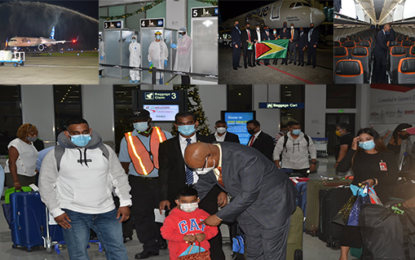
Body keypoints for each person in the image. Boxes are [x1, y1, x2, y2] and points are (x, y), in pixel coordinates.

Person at [184, 142, 297, 259]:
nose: (198, 171)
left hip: (273, 203)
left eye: (199, 167)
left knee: (271, 251)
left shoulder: (247, 158)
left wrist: (219, 216)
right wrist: (186, 205)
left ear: (210, 157)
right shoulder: (208, 158)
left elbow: (249, 195)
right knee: (253, 250)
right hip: (245, 207)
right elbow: (204, 184)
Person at [38, 118, 131, 260]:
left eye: (85, 132)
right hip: (73, 213)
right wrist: (56, 211)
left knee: (117, 250)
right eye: (75, 133)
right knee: (78, 253)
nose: (81, 136)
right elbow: (45, 184)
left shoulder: (105, 150)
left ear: (90, 131)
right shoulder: (56, 154)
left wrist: (124, 202)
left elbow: (119, 176)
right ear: (67, 134)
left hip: (106, 211)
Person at [158, 112, 227, 260]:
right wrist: (164, 197)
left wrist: (221, 191)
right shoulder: (166, 146)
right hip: (180, 196)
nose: (185, 126)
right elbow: (164, 173)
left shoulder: (210, 141)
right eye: (181, 124)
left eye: (189, 122)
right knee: (182, 232)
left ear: (196, 123)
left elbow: (219, 167)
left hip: (207, 193)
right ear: (176, 126)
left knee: (211, 229)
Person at [337, 128, 399, 260]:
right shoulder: (357, 154)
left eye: (368, 139)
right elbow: (341, 169)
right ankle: (343, 256)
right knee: (351, 225)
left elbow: (393, 178)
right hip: (357, 194)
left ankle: (372, 254)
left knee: (375, 227)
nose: (364, 142)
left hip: (378, 196)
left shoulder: (387, 155)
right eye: (361, 140)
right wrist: (352, 149)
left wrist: (375, 181)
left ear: (375, 140)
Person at [118, 109, 172, 259]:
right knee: (142, 215)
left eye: (141, 120)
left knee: (163, 212)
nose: (138, 123)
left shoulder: (165, 135)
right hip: (138, 183)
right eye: (135, 121)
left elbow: (174, 159)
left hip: (162, 181)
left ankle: (162, 239)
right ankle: (149, 246)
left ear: (149, 120)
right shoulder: (127, 139)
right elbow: (124, 163)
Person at [161, 186, 218, 260]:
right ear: (177, 202)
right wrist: (183, 238)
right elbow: (166, 234)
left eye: (192, 201)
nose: (189, 204)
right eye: (184, 202)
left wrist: (205, 235)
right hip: (179, 255)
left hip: (202, 255)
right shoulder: (172, 218)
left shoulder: (204, 215)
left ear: (198, 200)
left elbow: (213, 229)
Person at [5, 123, 39, 190]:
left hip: (30, 175)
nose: (35, 136)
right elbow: (12, 163)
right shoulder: (16, 144)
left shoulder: (31, 144)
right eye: (32, 134)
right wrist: (16, 181)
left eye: (36, 134)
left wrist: (33, 169)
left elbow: (29, 158)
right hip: (18, 175)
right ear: (24, 133)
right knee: (20, 198)